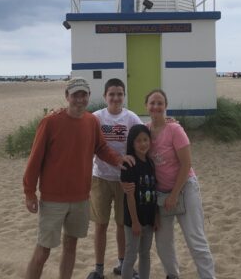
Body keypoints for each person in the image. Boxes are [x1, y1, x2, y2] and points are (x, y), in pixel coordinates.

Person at [23, 77, 134, 279]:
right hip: (53, 199)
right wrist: (29, 192)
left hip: (81, 198)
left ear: (89, 96)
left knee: (71, 246)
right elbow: (35, 158)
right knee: (43, 251)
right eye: (75, 95)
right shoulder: (50, 121)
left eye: (84, 95)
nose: (80, 99)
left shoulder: (92, 121)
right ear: (67, 97)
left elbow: (100, 148)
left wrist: (119, 159)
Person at [145, 89, 216, 279]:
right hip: (161, 194)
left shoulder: (175, 129)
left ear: (166, 106)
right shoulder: (145, 130)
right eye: (152, 103)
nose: (156, 106)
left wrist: (174, 194)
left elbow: (186, 164)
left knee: (195, 239)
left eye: (160, 103)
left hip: (184, 188)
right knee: (163, 242)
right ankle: (172, 274)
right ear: (146, 106)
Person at [87, 78, 142, 279]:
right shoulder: (96, 118)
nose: (116, 98)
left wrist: (167, 121)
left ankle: (122, 264)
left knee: (121, 225)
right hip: (100, 177)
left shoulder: (131, 118)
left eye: (120, 94)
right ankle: (99, 269)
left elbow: (146, 136)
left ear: (124, 95)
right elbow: (78, 127)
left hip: (124, 180)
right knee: (100, 225)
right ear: (105, 96)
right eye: (112, 94)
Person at [120, 124, 158, 279]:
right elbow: (130, 196)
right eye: (138, 141)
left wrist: (156, 216)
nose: (143, 144)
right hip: (133, 220)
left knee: (145, 254)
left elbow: (154, 191)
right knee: (130, 256)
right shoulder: (129, 164)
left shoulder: (150, 163)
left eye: (145, 139)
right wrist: (135, 222)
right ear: (132, 143)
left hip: (149, 218)